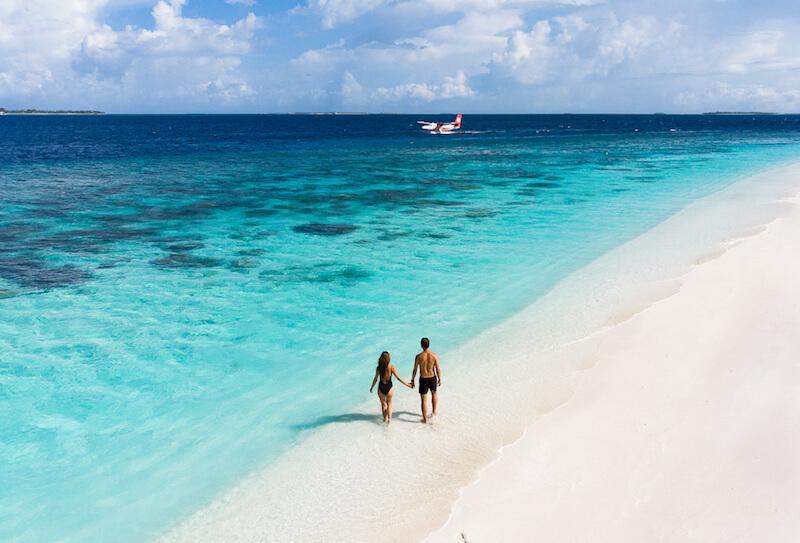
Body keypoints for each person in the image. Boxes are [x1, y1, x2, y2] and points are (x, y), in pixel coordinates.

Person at [369, 351, 411, 424]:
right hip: (389, 387)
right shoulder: (391, 367)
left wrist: (372, 387)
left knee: (383, 404)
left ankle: (384, 419)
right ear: (388, 358)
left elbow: (375, 379)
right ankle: (389, 420)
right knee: (389, 404)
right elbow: (398, 378)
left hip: (381, 387)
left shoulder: (378, 368)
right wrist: (407, 384)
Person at [410, 337, 442, 423]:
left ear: (421, 345)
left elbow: (415, 369)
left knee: (423, 399)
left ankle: (424, 419)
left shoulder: (418, 357)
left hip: (423, 378)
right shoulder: (434, 355)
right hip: (432, 377)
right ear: (429, 345)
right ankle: (434, 412)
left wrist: (412, 379)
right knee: (434, 394)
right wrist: (439, 378)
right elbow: (438, 368)